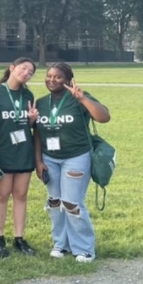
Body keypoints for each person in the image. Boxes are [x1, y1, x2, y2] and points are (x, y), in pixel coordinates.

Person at [34, 62, 111, 263]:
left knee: (72, 204)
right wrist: (38, 161)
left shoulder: (77, 98)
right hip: (50, 158)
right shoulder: (41, 103)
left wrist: (83, 98)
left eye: (58, 77)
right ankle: (61, 244)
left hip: (76, 156)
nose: (52, 80)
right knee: (54, 202)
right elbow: (37, 135)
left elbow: (104, 117)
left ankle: (84, 248)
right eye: (49, 76)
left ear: (68, 80)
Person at [0, 57, 39, 258]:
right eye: (23, 68)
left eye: (30, 72)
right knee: (2, 194)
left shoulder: (28, 94)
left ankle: (19, 238)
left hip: (24, 151)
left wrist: (32, 121)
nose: (26, 73)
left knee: (21, 195)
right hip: (2, 152)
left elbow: (27, 125)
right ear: (12, 68)